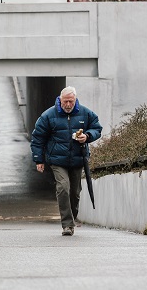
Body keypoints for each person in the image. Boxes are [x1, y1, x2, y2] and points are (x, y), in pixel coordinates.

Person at [30, 86, 102, 236]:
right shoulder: (48, 115)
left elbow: (97, 128)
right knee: (63, 187)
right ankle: (67, 224)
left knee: (75, 193)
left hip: (78, 159)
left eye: (71, 101)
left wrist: (88, 136)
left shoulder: (85, 113)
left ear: (75, 100)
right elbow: (38, 138)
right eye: (65, 102)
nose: (68, 105)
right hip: (57, 159)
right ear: (60, 100)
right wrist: (39, 160)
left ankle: (72, 218)